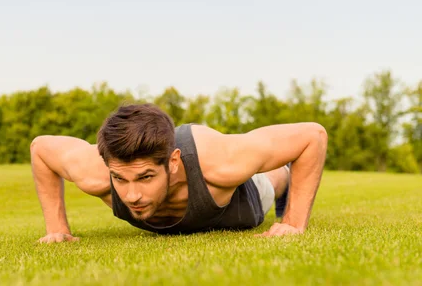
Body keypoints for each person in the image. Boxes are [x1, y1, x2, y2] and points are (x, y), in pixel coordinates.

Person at [30, 103, 327, 243]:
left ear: (173, 162)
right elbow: (41, 148)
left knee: (268, 179)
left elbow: (312, 136)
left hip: (238, 198)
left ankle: (281, 175)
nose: (132, 195)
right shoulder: (94, 171)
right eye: (120, 178)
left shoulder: (220, 160)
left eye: (145, 177)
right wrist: (57, 229)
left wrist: (293, 223)